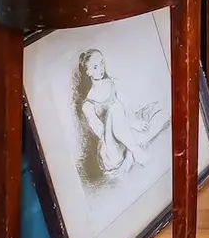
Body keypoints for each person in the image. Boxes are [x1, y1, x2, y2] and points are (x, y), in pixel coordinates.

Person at [72, 48, 171, 185]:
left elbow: (129, 112)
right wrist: (130, 125)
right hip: (112, 150)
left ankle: (129, 159)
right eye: (95, 67)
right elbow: (102, 133)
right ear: (88, 72)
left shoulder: (114, 83)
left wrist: (132, 123)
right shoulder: (87, 105)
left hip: (127, 135)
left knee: (160, 110)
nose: (100, 69)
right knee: (115, 107)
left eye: (101, 63)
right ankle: (137, 152)